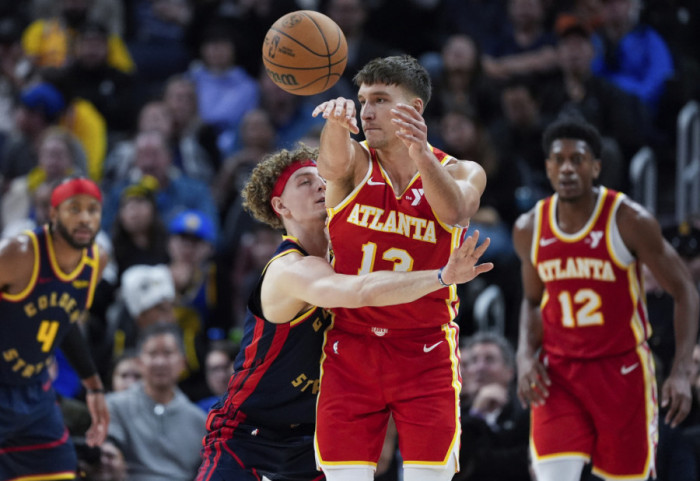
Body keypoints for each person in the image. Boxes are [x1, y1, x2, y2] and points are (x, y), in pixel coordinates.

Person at [196, 145, 492, 481]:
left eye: (321, 177)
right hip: (251, 434)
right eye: (305, 182)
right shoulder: (290, 269)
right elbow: (359, 291)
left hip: (312, 438)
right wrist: (441, 277)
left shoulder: (351, 255)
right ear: (280, 206)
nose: (321, 185)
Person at [311, 55, 486, 481]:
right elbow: (328, 167)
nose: (366, 111)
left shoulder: (463, 170)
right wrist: (335, 123)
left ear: (415, 109)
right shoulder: (354, 162)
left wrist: (421, 154)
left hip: (424, 350)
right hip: (351, 346)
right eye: (362, 100)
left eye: (380, 99)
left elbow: (456, 212)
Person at [513, 115, 700, 481]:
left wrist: (680, 372)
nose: (567, 168)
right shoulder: (529, 227)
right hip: (559, 374)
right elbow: (532, 302)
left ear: (595, 167)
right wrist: (523, 356)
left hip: (621, 372)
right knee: (551, 474)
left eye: (577, 159)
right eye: (559, 160)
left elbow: (685, 291)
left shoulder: (629, 219)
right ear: (548, 168)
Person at [0, 176, 110, 479]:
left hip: (34, 394)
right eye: (74, 209)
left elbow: (64, 320)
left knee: (60, 470)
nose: (85, 218)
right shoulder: (18, 254)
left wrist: (93, 384)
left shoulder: (96, 261)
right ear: (53, 214)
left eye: (93, 209)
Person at [106, 322, 206, 481]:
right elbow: (107, 448)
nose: (160, 362)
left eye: (167, 353)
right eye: (152, 354)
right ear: (139, 362)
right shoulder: (114, 405)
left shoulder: (199, 420)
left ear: (183, 363)